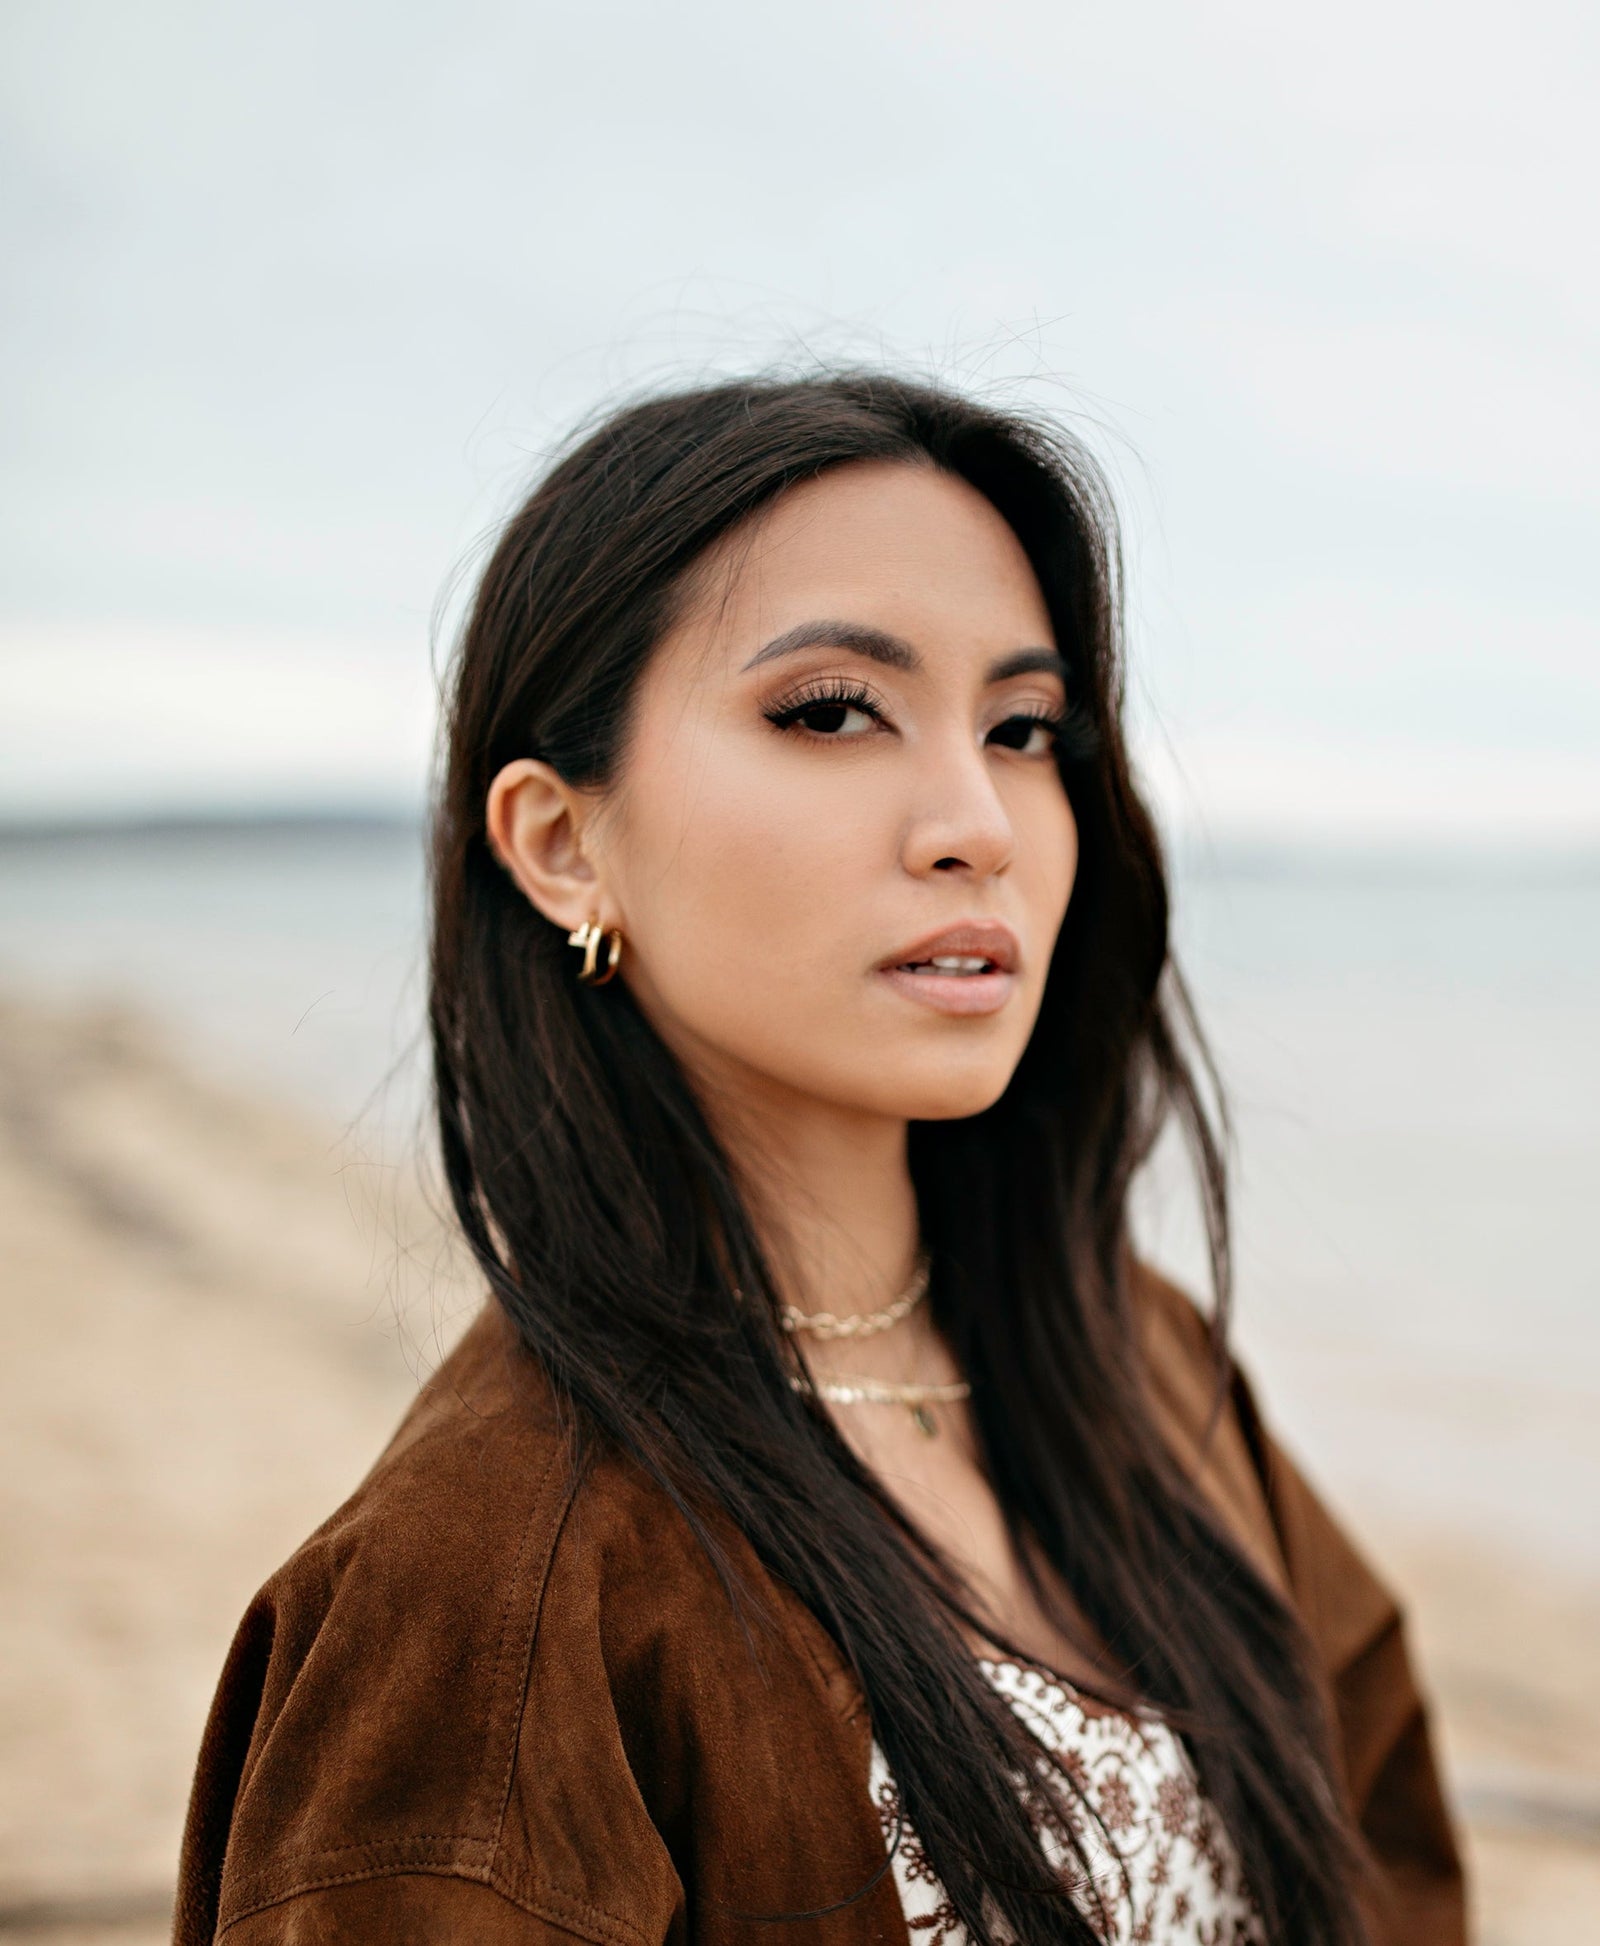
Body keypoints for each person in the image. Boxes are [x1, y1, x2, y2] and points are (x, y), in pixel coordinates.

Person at [173, 374, 1467, 1945]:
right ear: (560, 842)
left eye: (1023, 727)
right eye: (833, 711)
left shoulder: (1131, 1353)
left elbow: (1384, 1839)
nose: (975, 819)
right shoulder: (484, 1589)